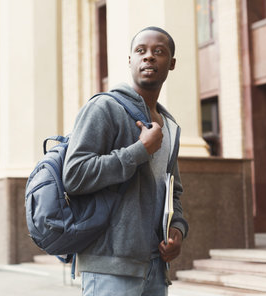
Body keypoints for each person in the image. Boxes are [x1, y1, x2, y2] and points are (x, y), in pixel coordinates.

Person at [63, 26, 189, 296]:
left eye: (159, 52)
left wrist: (177, 229)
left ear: (172, 63)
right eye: (140, 51)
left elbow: (173, 190)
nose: (149, 57)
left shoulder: (169, 125)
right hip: (110, 266)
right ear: (129, 60)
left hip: (155, 266)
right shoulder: (104, 108)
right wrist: (140, 150)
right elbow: (74, 175)